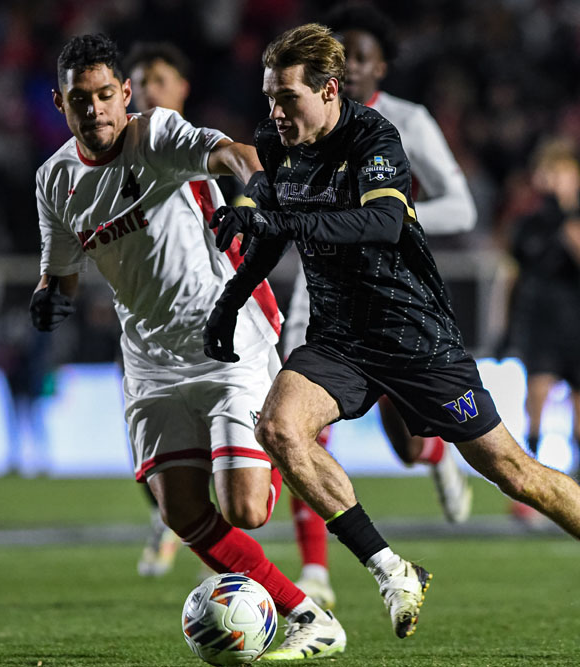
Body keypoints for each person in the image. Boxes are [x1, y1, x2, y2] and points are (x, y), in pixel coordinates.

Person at [203, 23, 580, 656]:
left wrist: (276, 219)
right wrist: (230, 301)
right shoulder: (278, 142)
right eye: (269, 98)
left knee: (515, 473)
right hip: (339, 337)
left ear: (328, 90)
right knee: (279, 429)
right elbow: (268, 234)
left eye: (287, 98)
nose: (274, 113)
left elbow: (382, 221)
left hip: (415, 336)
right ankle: (391, 570)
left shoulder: (374, 138)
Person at [30, 33, 345, 660]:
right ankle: (306, 614)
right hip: (149, 363)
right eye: (79, 100)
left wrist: (252, 192)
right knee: (182, 512)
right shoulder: (54, 180)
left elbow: (236, 154)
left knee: (246, 509)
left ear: (125, 94)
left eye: (104, 95)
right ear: (61, 104)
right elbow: (59, 270)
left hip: (225, 341)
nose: (94, 109)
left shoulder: (156, 134)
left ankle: (287, 437)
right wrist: (48, 296)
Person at [282, 2, 478, 611]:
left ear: (381, 67)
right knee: (292, 425)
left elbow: (462, 208)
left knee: (408, 445)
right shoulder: (300, 120)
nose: (350, 69)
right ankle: (316, 569)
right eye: (340, 57)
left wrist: (389, 214)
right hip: (318, 293)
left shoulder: (406, 122)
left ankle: (437, 453)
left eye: (361, 58)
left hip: (390, 297)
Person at [121, 40, 195, 579]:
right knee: (146, 441)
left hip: (208, 322)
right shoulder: (113, 158)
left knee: (221, 440)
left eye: (160, 80)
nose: (150, 90)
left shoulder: (202, 151)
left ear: (182, 88)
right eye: (142, 82)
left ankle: (212, 536)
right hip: (143, 323)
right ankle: (168, 521)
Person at [508, 142, 580, 496]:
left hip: (579, 323)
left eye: (562, 174)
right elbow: (511, 276)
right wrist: (503, 328)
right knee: (537, 394)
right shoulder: (528, 225)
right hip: (540, 324)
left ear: (577, 179)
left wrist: (567, 222)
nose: (555, 181)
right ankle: (532, 479)